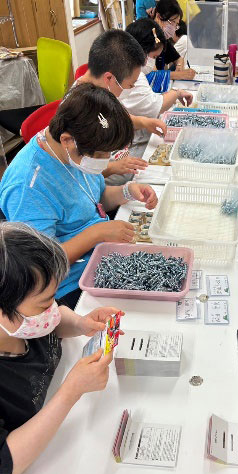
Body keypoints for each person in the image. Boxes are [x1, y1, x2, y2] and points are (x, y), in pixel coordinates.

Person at [0, 84, 158, 309]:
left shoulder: (73, 152)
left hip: (104, 253)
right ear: (67, 141)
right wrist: (97, 233)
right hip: (70, 285)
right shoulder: (28, 185)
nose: (106, 160)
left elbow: (95, 198)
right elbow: (42, 265)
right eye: (101, 154)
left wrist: (126, 191)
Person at [0, 222, 121, 474]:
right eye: (45, 304)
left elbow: (52, 322)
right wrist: (70, 392)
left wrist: (80, 323)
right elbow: (4, 467)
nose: (53, 310)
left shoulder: (25, 320)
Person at [106, 18, 194, 186]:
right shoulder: (121, 78)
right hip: (111, 157)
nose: (149, 63)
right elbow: (92, 170)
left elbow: (119, 116)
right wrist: (112, 168)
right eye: (152, 57)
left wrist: (143, 122)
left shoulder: (121, 74)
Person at [76, 28, 167, 180]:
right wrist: (113, 168)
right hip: (104, 179)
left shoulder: (101, 90)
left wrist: (143, 122)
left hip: (120, 160)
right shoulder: (80, 109)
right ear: (109, 78)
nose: (130, 89)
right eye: (130, 85)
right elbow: (80, 174)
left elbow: (113, 117)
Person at [147, 0, 196, 80]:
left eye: (176, 24)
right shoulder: (147, 36)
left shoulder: (162, 38)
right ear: (159, 16)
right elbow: (151, 74)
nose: (174, 28)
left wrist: (179, 66)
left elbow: (178, 58)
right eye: (173, 22)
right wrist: (179, 75)